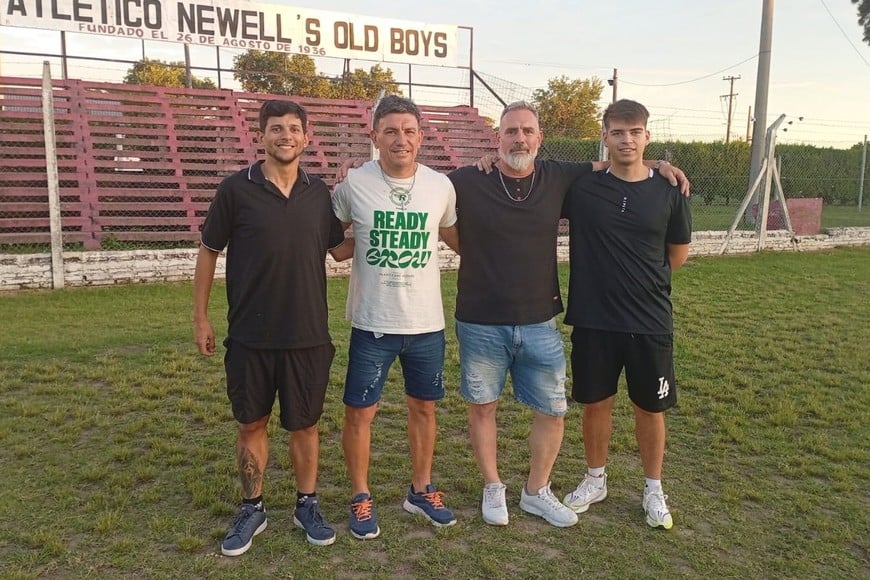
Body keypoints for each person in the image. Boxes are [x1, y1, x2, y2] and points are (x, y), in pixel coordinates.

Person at [448, 100, 688, 528]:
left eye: (527, 131)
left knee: (591, 409)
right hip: (545, 318)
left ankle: (612, 488)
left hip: (593, 318)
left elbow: (674, 249)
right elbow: (434, 203)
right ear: (497, 137)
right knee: (523, 405)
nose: (519, 138)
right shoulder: (483, 179)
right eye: (510, 131)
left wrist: (657, 165)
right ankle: (525, 484)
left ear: (540, 138)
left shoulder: (579, 179)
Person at [193, 100, 352, 555]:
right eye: (276, 128)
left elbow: (338, 250)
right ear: (260, 136)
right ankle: (252, 507)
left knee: (305, 425)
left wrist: (391, 223)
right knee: (251, 423)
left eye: (294, 128)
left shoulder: (318, 193)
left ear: (307, 137)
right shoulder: (234, 190)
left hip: (307, 336)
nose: (286, 135)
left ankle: (307, 505)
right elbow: (208, 251)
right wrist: (201, 317)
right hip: (249, 337)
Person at [331, 95, 461, 540]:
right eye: (390, 130)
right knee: (359, 413)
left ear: (421, 137)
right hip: (372, 322)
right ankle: (361, 497)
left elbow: (452, 234)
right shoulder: (353, 183)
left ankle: (421, 490)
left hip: (426, 323)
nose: (400, 139)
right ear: (374, 137)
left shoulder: (441, 186)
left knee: (424, 408)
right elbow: (333, 238)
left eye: (408, 130)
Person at [561, 99, 691, 530]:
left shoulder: (670, 190)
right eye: (618, 132)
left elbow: (678, 255)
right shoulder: (581, 189)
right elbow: (535, 173)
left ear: (647, 136)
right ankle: (595, 479)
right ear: (605, 136)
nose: (627, 140)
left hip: (649, 320)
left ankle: (653, 488)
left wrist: (640, 284)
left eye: (635, 132)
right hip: (594, 319)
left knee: (649, 408)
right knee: (595, 403)